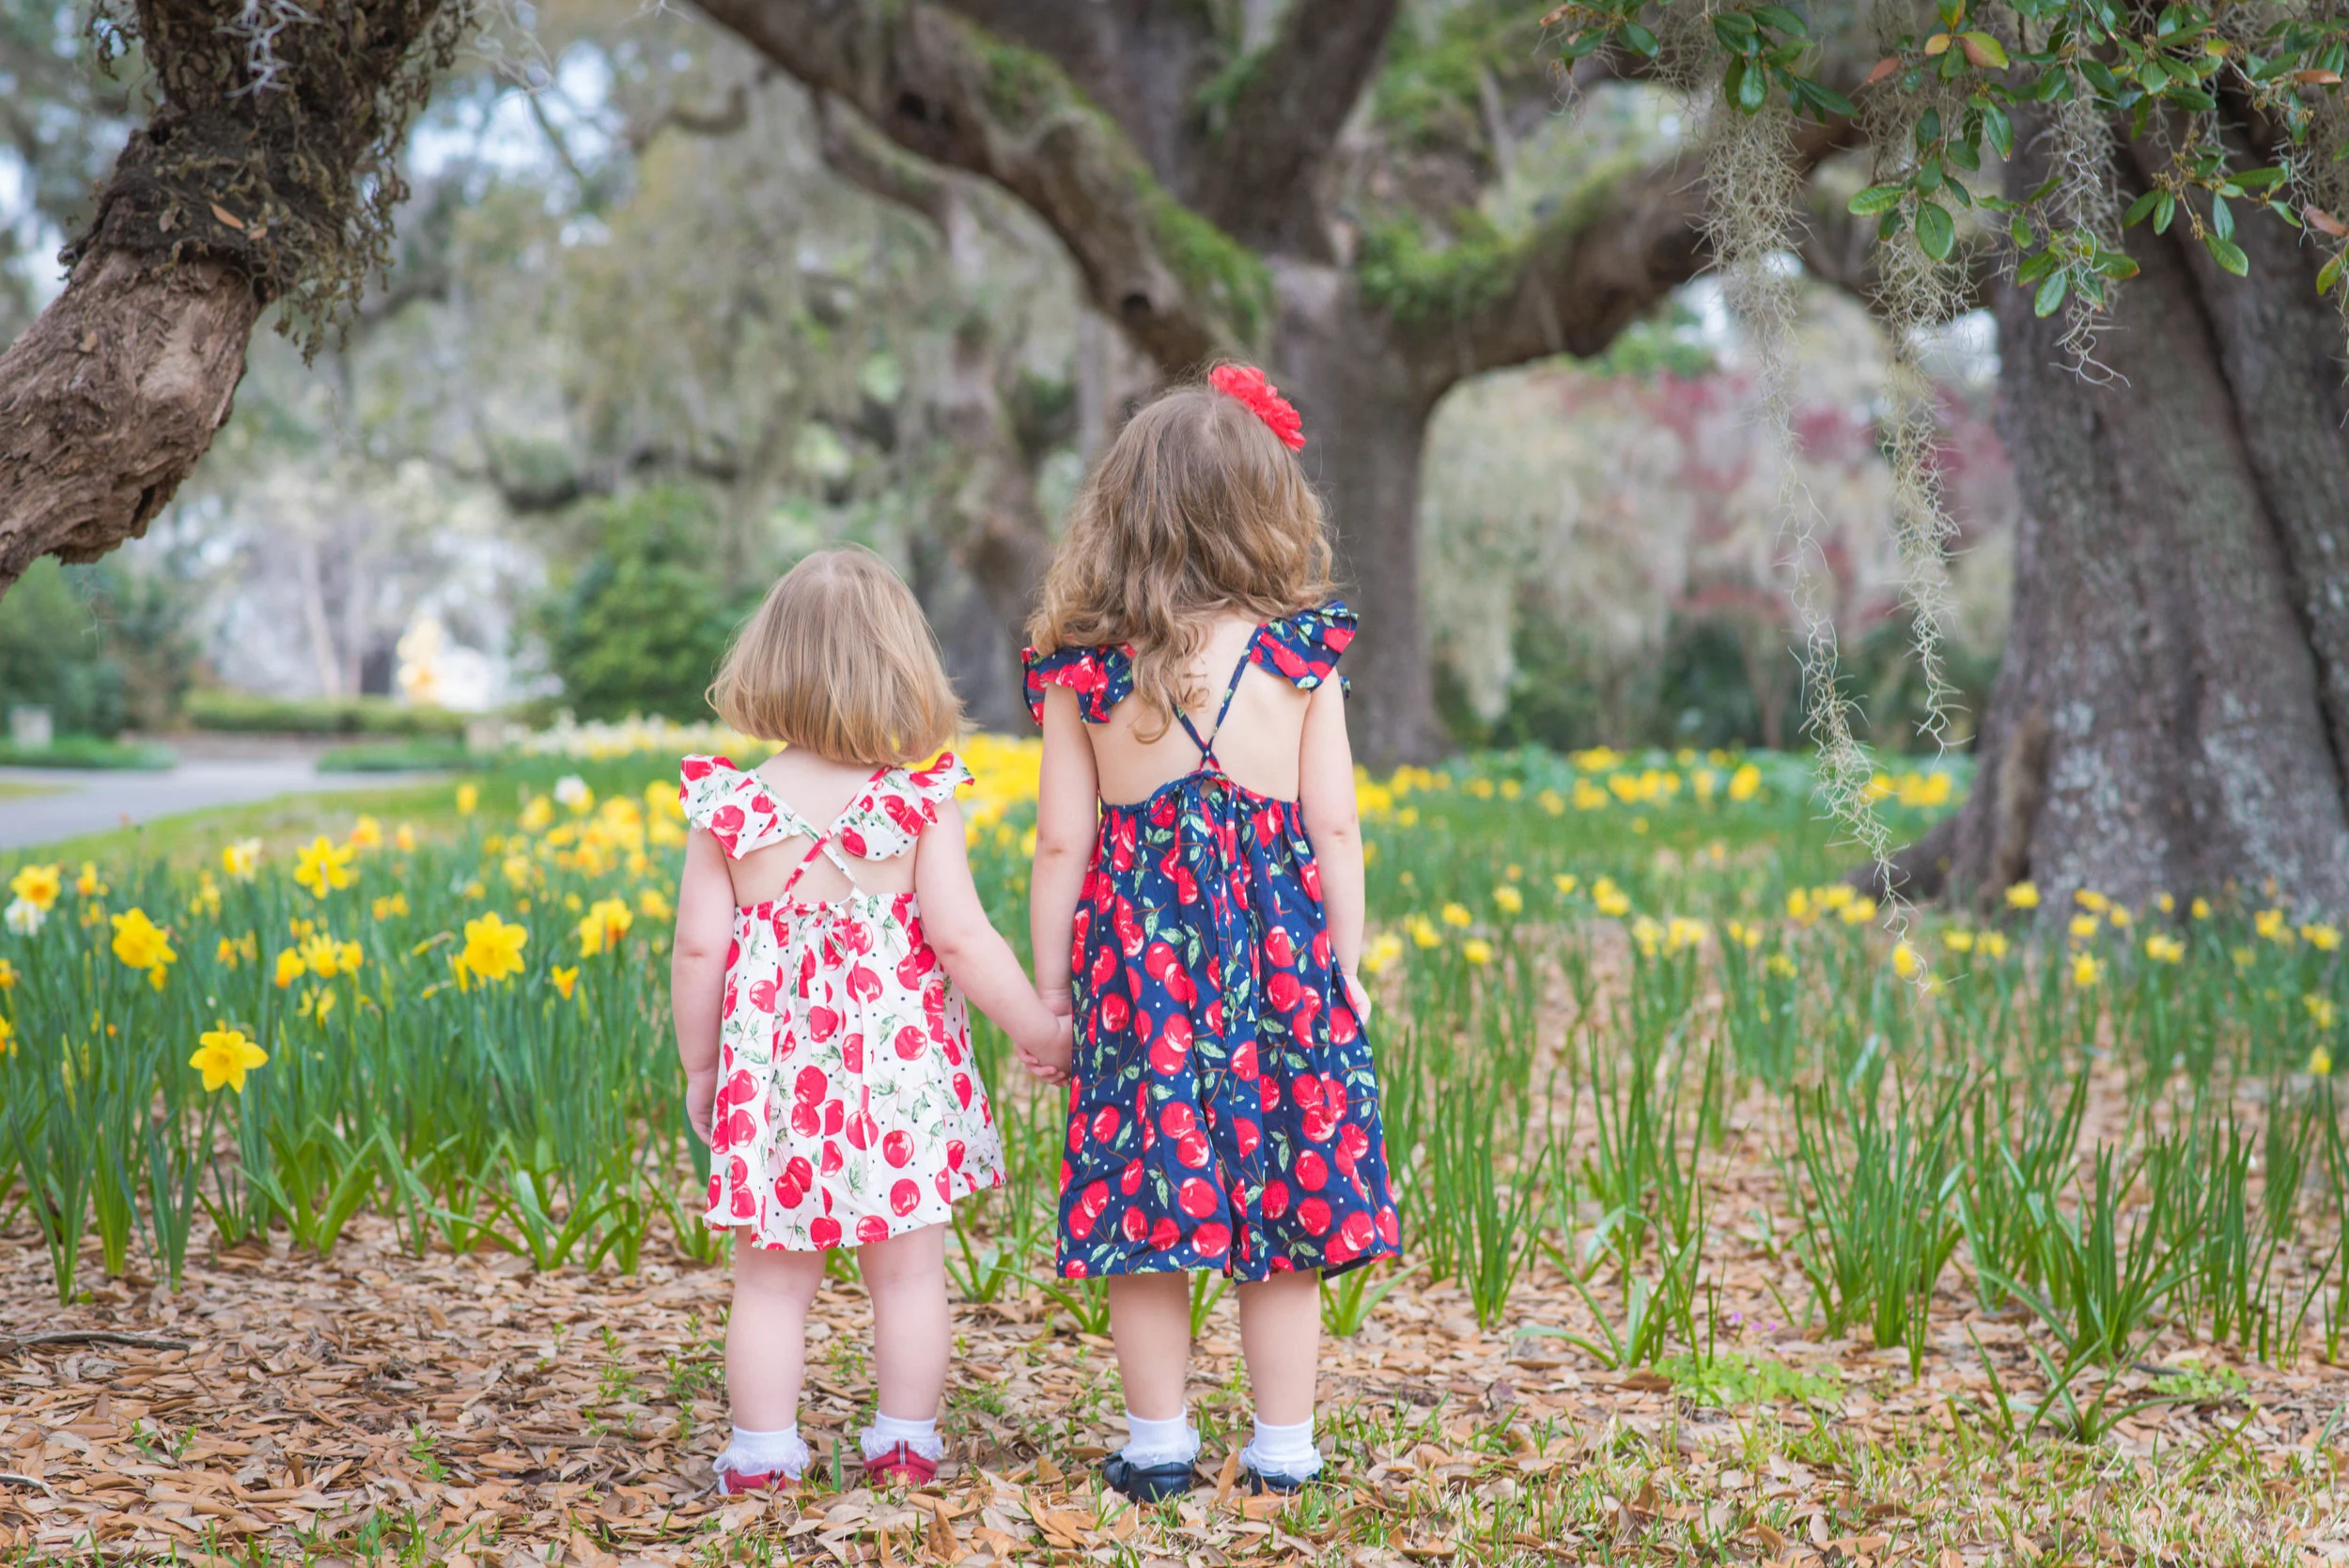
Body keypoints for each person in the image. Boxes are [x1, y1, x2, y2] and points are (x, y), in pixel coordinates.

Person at [1023, 365, 1402, 1499]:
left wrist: (1051, 993)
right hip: (1281, 967)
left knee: (1141, 1202)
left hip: (1140, 975)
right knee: (1282, 1202)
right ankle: (1284, 1447)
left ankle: (1158, 1444)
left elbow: (1058, 846)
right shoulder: (1299, 655)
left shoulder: (1084, 671)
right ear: (1263, 505)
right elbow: (1332, 822)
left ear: (1120, 510)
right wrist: (1343, 963)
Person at [673, 547, 1071, 1493]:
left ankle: (763, 1453)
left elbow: (697, 953)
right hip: (894, 1078)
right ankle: (904, 1441)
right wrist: (1037, 1029)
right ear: (902, 670)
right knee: (908, 1275)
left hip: (774, 1080)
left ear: (769, 665)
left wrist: (700, 1069)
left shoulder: (731, 808)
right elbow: (964, 940)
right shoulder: (917, 799)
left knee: (770, 1280)